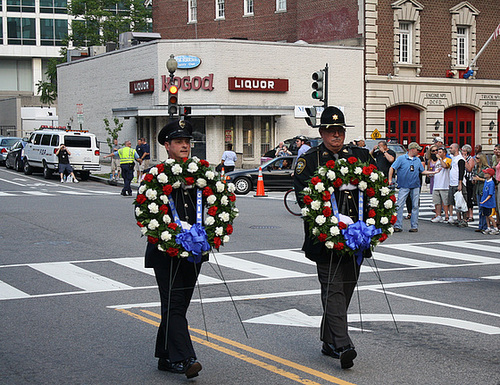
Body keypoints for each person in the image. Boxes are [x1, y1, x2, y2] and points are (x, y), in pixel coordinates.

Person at [293, 106, 375, 370]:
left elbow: (376, 187)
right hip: (326, 238)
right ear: (322, 133)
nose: (336, 136)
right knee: (333, 289)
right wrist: (330, 225)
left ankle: (328, 340)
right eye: (331, 131)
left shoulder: (360, 155)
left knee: (347, 287)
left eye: (340, 131)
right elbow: (303, 197)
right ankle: (343, 344)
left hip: (357, 239)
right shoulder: (311, 159)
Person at [144, 119, 203, 379]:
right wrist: (169, 238)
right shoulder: (155, 176)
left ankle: (165, 356)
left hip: (194, 251)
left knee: (177, 305)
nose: (184, 146)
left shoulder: (200, 174)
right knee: (175, 303)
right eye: (178, 142)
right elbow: (147, 213)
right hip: (165, 252)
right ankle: (186, 358)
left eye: (187, 142)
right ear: (166, 146)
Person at [389, 142, 439, 232]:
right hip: (404, 185)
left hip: (415, 185)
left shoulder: (417, 160)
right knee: (399, 205)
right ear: (412, 149)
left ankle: (414, 226)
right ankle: (398, 225)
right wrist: (390, 179)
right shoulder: (401, 158)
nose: (418, 152)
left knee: (415, 205)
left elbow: (422, 171)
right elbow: (392, 167)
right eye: (417, 150)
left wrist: (433, 172)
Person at [448, 143, 467, 227]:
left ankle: (464, 219)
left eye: (451, 148)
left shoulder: (460, 159)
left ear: (456, 149)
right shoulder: (453, 158)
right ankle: (458, 219)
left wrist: (460, 183)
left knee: (462, 201)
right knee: (456, 202)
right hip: (452, 182)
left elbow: (461, 171)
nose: (450, 149)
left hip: (458, 182)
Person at [431, 147, 451, 223]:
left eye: (439, 152)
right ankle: (438, 215)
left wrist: (440, 159)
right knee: (437, 202)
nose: (437, 153)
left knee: (445, 201)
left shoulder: (447, 159)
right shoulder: (436, 161)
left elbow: (446, 166)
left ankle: (446, 215)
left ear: (444, 153)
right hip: (436, 184)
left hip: (444, 184)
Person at [479, 168, 499, 235]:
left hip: (489, 203)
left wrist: (484, 201)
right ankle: (488, 227)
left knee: (490, 216)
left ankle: (496, 228)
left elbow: (490, 194)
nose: (484, 174)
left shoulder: (491, 183)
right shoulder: (486, 181)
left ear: (490, 175)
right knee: (486, 215)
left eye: (486, 173)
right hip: (484, 202)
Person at [473, 154, 489, 232]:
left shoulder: (486, 168)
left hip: (484, 189)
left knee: (484, 208)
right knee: (480, 208)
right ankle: (481, 225)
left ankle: (485, 225)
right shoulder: (476, 168)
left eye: (478, 158)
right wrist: (474, 180)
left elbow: (488, 180)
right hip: (478, 189)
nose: (476, 159)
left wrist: (479, 179)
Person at [461, 144, 475, 222]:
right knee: (464, 197)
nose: (462, 152)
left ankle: (470, 215)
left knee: (469, 197)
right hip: (463, 179)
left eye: (464, 151)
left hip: (469, 179)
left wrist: (465, 160)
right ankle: (465, 214)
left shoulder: (471, 159)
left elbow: (469, 168)